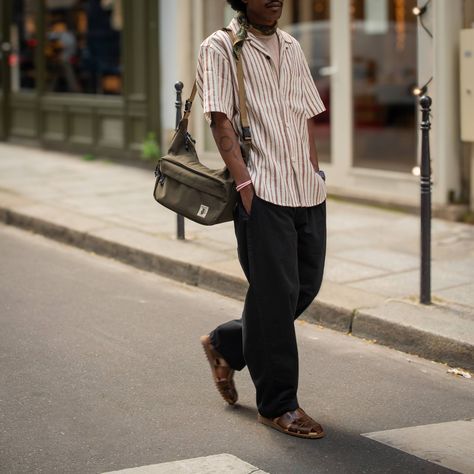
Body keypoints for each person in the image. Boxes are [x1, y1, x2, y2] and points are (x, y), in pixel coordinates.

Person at [198, 0, 327, 440]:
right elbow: (220, 120)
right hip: (263, 190)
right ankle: (278, 405)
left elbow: (305, 114)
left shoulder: (291, 45)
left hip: (306, 188)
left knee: (304, 285)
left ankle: (227, 343)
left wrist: (315, 170)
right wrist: (244, 187)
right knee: (275, 296)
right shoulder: (220, 47)